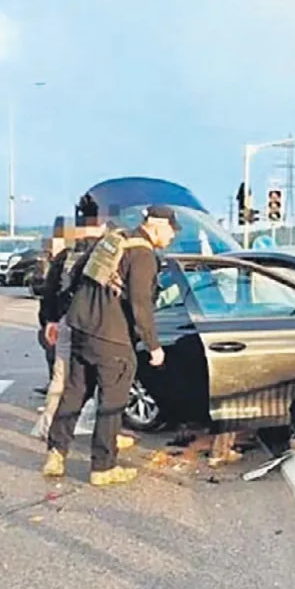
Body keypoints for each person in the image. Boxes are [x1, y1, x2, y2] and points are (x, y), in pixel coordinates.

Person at [41, 204, 174, 486]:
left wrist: (60, 316)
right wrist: (154, 346)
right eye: (172, 230)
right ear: (157, 226)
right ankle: (103, 467)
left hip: (81, 326)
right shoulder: (143, 254)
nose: (172, 237)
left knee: (74, 393)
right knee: (112, 403)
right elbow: (140, 304)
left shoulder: (115, 239)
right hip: (112, 336)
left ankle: (56, 452)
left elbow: (76, 274)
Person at [34, 197, 113, 440]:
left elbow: (50, 290)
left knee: (61, 379)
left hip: (68, 322)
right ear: (102, 225)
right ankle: (109, 433)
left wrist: (50, 320)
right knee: (108, 382)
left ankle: (47, 427)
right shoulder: (108, 253)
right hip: (101, 325)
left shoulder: (68, 254)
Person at [35, 216, 68, 393]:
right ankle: (53, 381)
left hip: (63, 318)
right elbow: (38, 285)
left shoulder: (69, 260)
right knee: (51, 352)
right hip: (49, 317)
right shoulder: (47, 260)